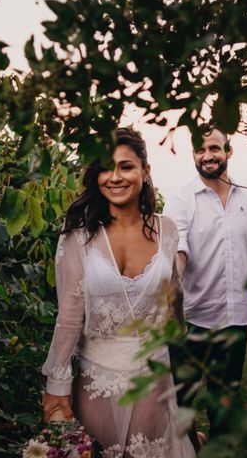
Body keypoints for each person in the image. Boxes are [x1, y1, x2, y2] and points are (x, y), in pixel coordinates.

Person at [40, 128, 195, 458]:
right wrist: (57, 386)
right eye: (106, 169)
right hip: (96, 379)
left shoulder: (167, 230)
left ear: (145, 171)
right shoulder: (76, 239)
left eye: (126, 166)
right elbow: (68, 318)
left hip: (153, 380)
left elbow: (172, 302)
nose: (115, 177)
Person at [164, 124, 247, 444]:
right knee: (180, 406)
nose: (207, 155)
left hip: (235, 322)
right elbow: (178, 253)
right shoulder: (181, 201)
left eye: (214, 148)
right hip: (190, 321)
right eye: (200, 150)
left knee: (224, 410)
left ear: (228, 151)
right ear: (194, 155)